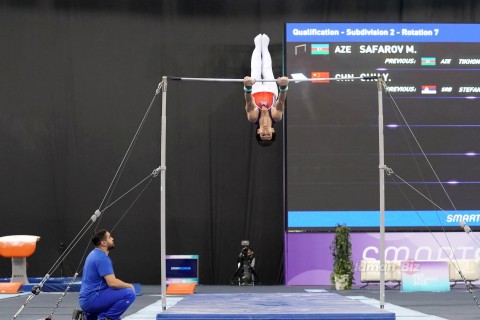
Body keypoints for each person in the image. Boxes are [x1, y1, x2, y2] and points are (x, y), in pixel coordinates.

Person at [78, 230, 136, 320]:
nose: (112, 238)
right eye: (109, 237)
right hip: (93, 299)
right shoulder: (101, 258)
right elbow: (113, 283)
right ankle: (104, 318)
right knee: (129, 293)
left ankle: (88, 316)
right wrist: (129, 285)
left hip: (86, 300)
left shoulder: (93, 254)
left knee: (116, 317)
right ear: (104, 243)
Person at [244, 34, 289, 146]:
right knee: (267, 68)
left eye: (263, 135)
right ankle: (265, 45)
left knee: (256, 68)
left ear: (258, 132)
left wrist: (248, 87)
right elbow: (281, 101)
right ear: (273, 131)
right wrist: (283, 87)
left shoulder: (253, 117)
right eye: (268, 134)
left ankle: (257, 45)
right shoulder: (276, 116)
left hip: (255, 90)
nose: (265, 132)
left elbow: (249, 101)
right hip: (271, 90)